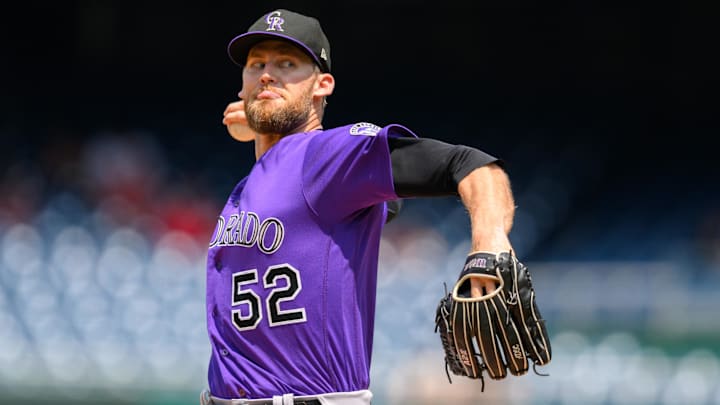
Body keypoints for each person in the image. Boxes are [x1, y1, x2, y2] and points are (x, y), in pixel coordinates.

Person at [202, 9, 517, 405]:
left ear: (323, 84)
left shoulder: (326, 155)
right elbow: (372, 206)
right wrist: (260, 125)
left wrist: (489, 242)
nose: (267, 73)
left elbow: (469, 165)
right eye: (256, 65)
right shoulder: (257, 184)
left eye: (287, 63)